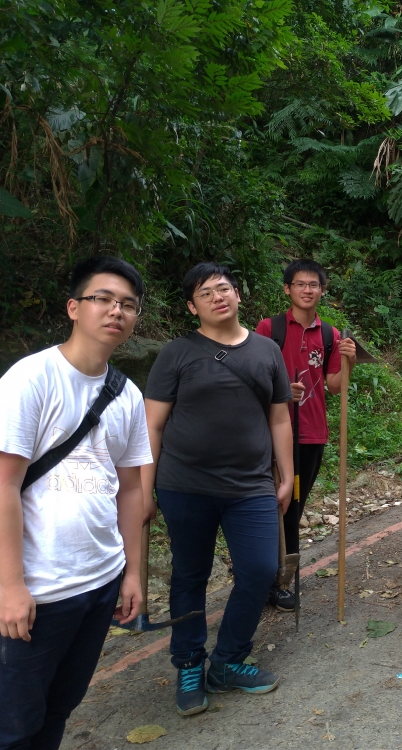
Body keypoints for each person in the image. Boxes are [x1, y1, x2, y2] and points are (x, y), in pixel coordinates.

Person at [0, 256, 151, 750]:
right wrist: (11, 587)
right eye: (103, 299)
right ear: (74, 307)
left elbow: (133, 488)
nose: (116, 311)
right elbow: (3, 486)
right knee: (10, 726)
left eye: (128, 305)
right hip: (34, 592)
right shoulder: (30, 380)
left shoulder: (128, 395)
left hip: (98, 580)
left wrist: (133, 572)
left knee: (58, 709)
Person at [143, 262, 293, 716]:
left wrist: (285, 474)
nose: (217, 297)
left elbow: (280, 416)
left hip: (250, 486)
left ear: (238, 295)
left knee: (261, 570)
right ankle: (189, 663)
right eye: (205, 294)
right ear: (192, 307)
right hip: (184, 485)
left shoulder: (267, 351)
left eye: (223, 288)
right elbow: (152, 424)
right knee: (190, 575)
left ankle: (227, 661)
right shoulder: (177, 353)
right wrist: (145, 490)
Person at [256, 259, 356, 611]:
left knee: (292, 505)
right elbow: (253, 379)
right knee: (271, 506)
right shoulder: (269, 329)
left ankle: (280, 577)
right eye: (300, 284)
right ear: (287, 289)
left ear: (323, 290)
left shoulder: (329, 334)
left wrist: (348, 363)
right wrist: (282, 390)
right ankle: (270, 577)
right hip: (270, 432)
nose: (307, 290)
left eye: (314, 285)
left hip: (311, 434)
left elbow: (333, 387)